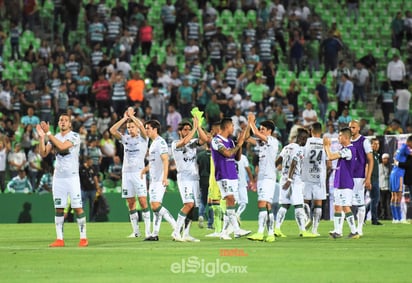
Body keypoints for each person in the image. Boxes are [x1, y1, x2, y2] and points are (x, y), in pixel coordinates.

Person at [36, 114, 88, 247]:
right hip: (58, 178)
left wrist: (48, 133)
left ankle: (83, 238)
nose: (63, 122)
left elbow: (63, 147)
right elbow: (43, 153)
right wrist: (42, 138)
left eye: (66, 120)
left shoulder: (74, 136)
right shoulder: (54, 137)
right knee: (59, 208)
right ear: (58, 123)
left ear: (70, 124)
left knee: (77, 208)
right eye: (60, 120)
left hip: (72, 177)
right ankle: (60, 239)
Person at [110, 107, 151, 238]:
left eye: (132, 127)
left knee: (143, 201)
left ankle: (148, 231)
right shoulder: (125, 138)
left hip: (139, 173)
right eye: (128, 127)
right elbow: (112, 130)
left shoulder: (144, 138)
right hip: (126, 174)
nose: (130, 129)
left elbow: (141, 126)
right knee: (130, 203)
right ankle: (136, 231)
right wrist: (124, 119)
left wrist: (132, 117)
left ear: (137, 128)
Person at [210, 117, 251, 240]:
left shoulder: (231, 142)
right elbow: (227, 153)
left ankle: (224, 232)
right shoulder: (216, 141)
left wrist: (241, 142)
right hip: (223, 175)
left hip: (233, 175)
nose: (233, 128)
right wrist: (238, 144)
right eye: (232, 126)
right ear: (227, 127)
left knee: (231, 203)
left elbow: (237, 157)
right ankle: (237, 230)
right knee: (230, 199)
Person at [274, 128, 316, 238]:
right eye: (306, 138)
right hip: (294, 180)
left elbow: (278, 160)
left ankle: (277, 229)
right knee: (298, 205)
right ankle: (303, 231)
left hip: (283, 177)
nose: (307, 140)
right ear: (302, 138)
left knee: (285, 205)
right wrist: (290, 179)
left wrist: (272, 171)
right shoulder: (299, 149)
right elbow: (294, 162)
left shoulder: (287, 147)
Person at [246, 114, 279, 242]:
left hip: (268, 177)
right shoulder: (262, 143)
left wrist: (251, 122)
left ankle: (260, 232)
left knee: (261, 203)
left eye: (262, 129)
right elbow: (248, 138)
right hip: (262, 178)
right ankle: (270, 233)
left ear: (269, 131)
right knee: (267, 205)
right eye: (260, 129)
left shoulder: (272, 141)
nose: (260, 131)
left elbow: (254, 133)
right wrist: (250, 124)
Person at [142, 120, 176, 241]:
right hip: (153, 179)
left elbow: (165, 160)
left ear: (155, 129)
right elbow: (153, 162)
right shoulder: (153, 143)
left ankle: (176, 227)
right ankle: (155, 234)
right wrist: (144, 170)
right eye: (145, 128)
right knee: (155, 208)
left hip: (159, 180)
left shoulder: (160, 142)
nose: (146, 130)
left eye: (148, 128)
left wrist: (165, 178)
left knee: (155, 205)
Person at [325, 127, 359, 239]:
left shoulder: (349, 150)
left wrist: (326, 146)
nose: (338, 138)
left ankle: (354, 231)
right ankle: (337, 231)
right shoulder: (344, 149)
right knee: (337, 207)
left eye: (340, 135)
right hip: (339, 182)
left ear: (345, 137)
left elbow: (330, 157)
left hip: (345, 183)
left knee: (345, 207)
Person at [171, 118, 202, 242]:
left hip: (194, 178)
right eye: (185, 130)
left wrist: (198, 126)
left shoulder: (193, 142)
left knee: (193, 206)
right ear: (180, 132)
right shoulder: (175, 144)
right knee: (188, 204)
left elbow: (205, 140)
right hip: (184, 178)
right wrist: (194, 129)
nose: (188, 131)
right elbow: (184, 141)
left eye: (189, 129)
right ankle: (176, 232)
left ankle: (186, 234)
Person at [349, 120, 373, 236]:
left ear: (358, 128)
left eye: (353, 127)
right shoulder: (347, 141)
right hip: (348, 176)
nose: (351, 130)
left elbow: (370, 160)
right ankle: (349, 228)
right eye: (350, 127)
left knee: (359, 202)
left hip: (359, 176)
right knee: (348, 203)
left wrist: (368, 178)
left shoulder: (364, 141)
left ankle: (359, 228)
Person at [301, 122, 326, 236]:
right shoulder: (325, 143)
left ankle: (307, 218)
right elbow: (329, 160)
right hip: (319, 176)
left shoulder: (306, 142)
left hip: (306, 175)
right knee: (318, 203)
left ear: (311, 131)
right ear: (321, 131)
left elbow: (301, 157)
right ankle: (315, 230)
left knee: (304, 201)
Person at [390, 135, 412, 223]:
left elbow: (395, 155)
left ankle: (394, 218)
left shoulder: (400, 148)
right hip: (399, 174)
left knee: (394, 196)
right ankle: (399, 218)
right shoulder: (406, 148)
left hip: (393, 173)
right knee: (398, 196)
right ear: (410, 141)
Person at [79, 156, 102, 222]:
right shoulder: (81, 168)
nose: (91, 163)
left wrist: (98, 187)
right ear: (87, 161)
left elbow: (95, 178)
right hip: (83, 190)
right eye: (90, 161)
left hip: (92, 190)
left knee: (93, 206)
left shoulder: (93, 168)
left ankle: (92, 220)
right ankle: (82, 219)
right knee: (82, 205)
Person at [366, 138, 383, 225]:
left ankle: (365, 215)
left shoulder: (376, 155)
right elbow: (366, 167)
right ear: (371, 145)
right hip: (372, 180)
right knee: (375, 199)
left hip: (376, 179)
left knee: (374, 199)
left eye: (378, 144)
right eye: (374, 144)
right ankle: (374, 220)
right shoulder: (370, 155)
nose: (376, 146)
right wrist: (368, 180)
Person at [379, 153, 392, 220]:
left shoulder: (390, 167)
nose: (386, 160)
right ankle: (382, 216)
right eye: (384, 158)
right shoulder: (379, 166)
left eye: (387, 158)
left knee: (388, 203)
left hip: (388, 188)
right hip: (381, 187)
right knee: (381, 203)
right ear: (382, 159)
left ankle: (388, 216)